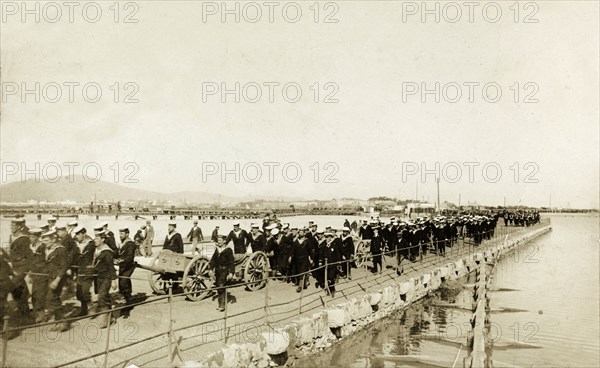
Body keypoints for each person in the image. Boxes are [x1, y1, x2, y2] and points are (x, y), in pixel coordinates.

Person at [41, 230, 69, 331]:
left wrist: (57, 280)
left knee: (51, 297)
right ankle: (58, 321)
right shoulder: (46, 248)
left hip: (58, 277)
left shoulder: (60, 249)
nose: (45, 242)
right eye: (44, 240)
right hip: (50, 277)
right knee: (53, 298)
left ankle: (63, 321)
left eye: (48, 240)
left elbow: (64, 266)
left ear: (53, 240)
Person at [8, 218, 33, 324]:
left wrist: (28, 269)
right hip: (14, 266)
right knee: (21, 290)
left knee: (14, 285)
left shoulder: (24, 238)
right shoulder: (11, 237)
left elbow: (29, 255)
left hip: (22, 266)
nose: (11, 227)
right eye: (11, 225)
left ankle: (20, 315)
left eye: (14, 225)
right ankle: (25, 314)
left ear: (19, 226)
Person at [92, 229, 118, 328]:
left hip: (107, 277)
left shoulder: (107, 252)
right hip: (99, 277)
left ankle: (105, 319)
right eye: (95, 237)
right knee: (104, 296)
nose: (95, 240)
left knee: (102, 296)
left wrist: (114, 281)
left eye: (97, 238)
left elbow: (111, 267)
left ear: (103, 239)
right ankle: (111, 316)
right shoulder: (97, 249)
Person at [209, 235, 234, 311]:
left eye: (220, 240)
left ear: (224, 241)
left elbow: (231, 262)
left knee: (220, 286)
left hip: (224, 270)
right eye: (218, 240)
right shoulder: (217, 249)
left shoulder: (228, 250)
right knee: (218, 286)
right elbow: (213, 260)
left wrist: (231, 273)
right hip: (217, 271)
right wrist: (210, 269)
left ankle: (222, 305)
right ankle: (222, 301)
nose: (218, 242)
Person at [74, 226, 95, 317]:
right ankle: (84, 309)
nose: (77, 236)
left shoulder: (91, 244)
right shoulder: (76, 244)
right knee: (79, 292)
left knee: (85, 290)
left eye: (79, 234)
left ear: (84, 234)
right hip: (79, 270)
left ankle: (91, 307)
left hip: (89, 270)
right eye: (76, 234)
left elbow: (97, 255)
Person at [116, 228, 137, 318]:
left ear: (127, 234)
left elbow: (129, 257)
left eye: (122, 233)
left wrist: (121, 260)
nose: (120, 235)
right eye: (120, 233)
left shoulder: (130, 244)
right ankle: (127, 300)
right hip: (122, 266)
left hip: (129, 266)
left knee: (124, 282)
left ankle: (129, 302)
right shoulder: (122, 243)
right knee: (121, 284)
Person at [162, 222, 183, 292]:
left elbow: (181, 246)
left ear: (174, 228)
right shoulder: (167, 235)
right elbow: (164, 245)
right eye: (168, 226)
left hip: (175, 255)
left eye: (170, 226)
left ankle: (175, 286)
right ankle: (166, 284)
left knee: (174, 271)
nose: (169, 228)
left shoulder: (178, 235)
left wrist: (180, 255)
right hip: (167, 255)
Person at [290, 227, 311, 292]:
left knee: (302, 272)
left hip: (304, 259)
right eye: (299, 232)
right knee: (299, 272)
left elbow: (310, 250)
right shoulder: (296, 241)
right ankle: (303, 283)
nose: (300, 233)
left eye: (301, 232)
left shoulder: (307, 241)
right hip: (297, 259)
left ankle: (300, 286)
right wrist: (290, 256)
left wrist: (311, 258)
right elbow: (293, 249)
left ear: (304, 233)